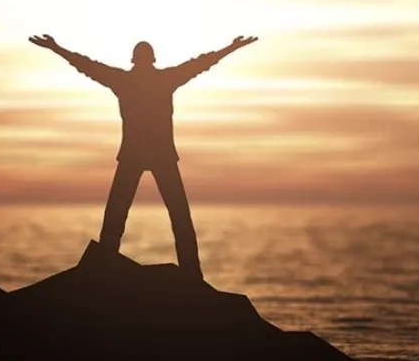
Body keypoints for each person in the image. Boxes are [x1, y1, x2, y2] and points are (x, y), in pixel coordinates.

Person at [29, 34, 258, 280]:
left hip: (145, 155)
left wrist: (55, 47)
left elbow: (86, 65)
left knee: (124, 216)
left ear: (135, 60)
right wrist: (232, 47)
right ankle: (191, 273)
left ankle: (109, 267)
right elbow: (201, 64)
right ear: (150, 60)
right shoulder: (160, 80)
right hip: (148, 155)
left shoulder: (128, 81)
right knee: (171, 216)